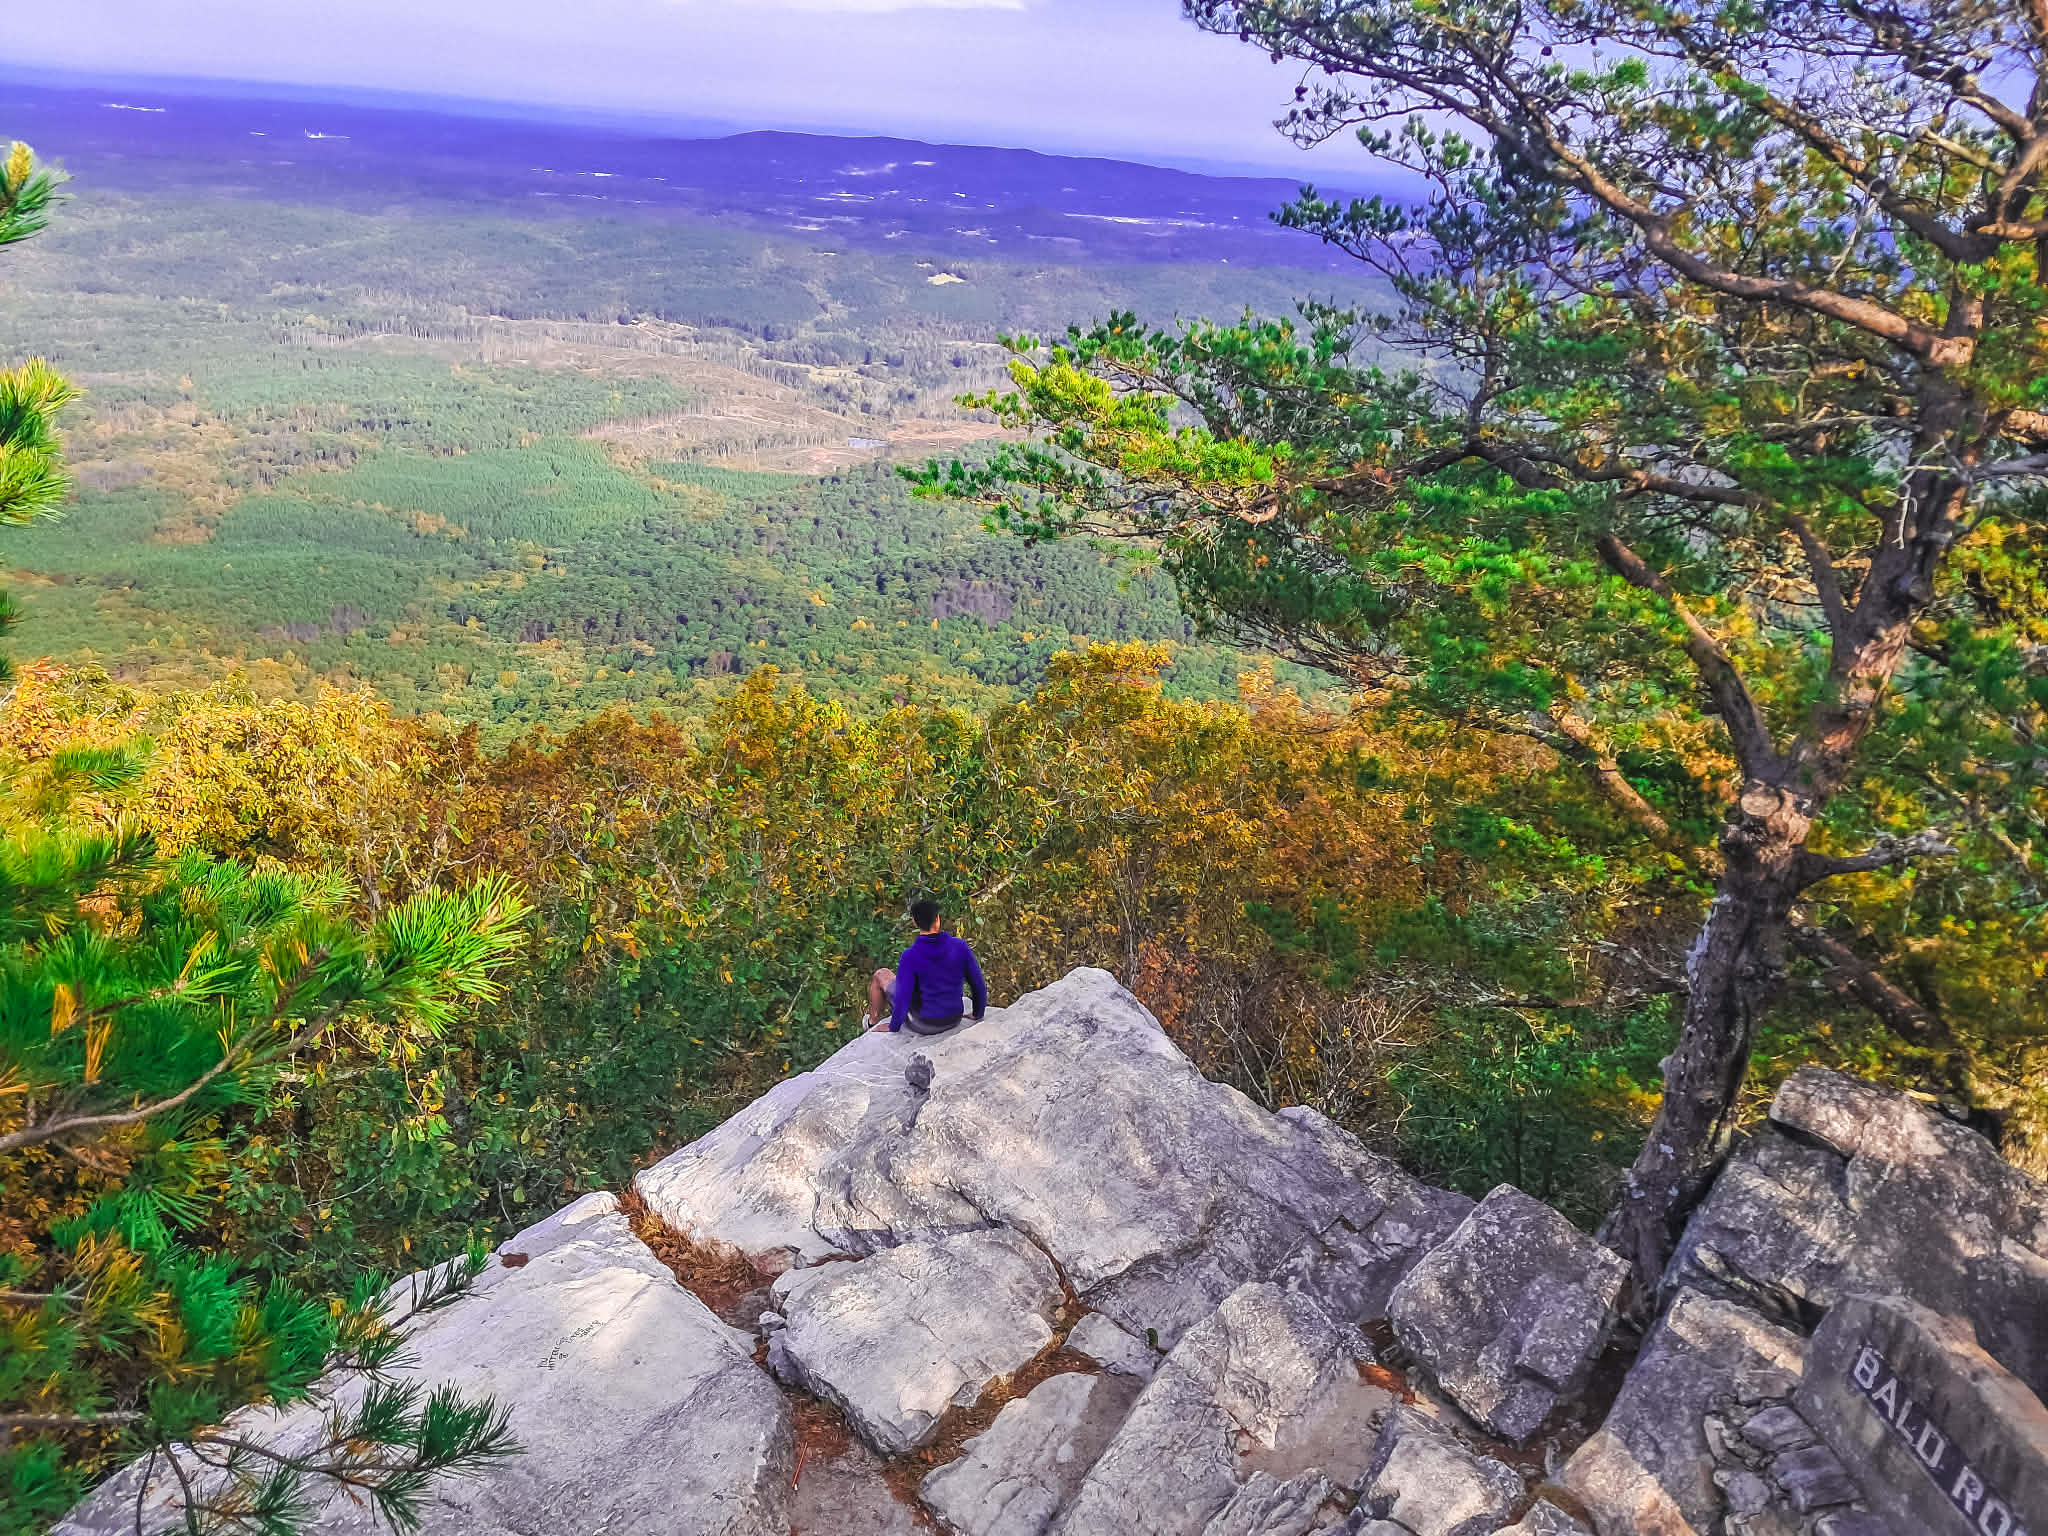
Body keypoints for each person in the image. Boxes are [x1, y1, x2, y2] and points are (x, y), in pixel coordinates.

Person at [867, 897, 988, 1036]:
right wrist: (977, 1014)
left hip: (924, 1024)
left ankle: (872, 1021)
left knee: (881, 974)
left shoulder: (910, 956)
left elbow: (902, 997)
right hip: (954, 1019)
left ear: (914, 922)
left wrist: (893, 1026)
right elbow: (978, 985)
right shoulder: (960, 946)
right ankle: (873, 1021)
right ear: (937, 918)